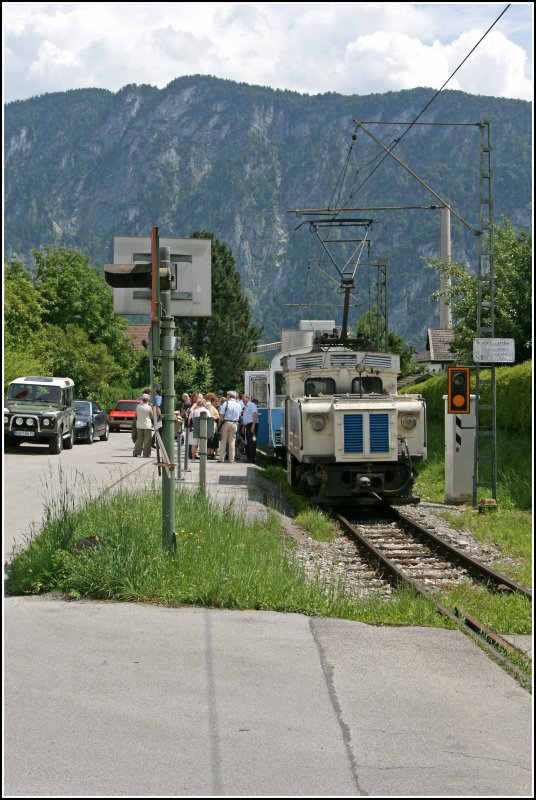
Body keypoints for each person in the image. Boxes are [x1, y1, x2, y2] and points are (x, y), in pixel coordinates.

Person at [218, 391, 242, 464]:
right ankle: (231, 459)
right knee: (232, 442)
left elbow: (221, 415)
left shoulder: (226, 403)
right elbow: (239, 415)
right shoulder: (238, 405)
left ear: (228, 396)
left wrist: (219, 424)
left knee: (223, 441)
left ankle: (221, 459)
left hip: (226, 423)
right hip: (235, 423)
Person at [241, 394, 259, 463]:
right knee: (248, 442)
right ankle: (248, 458)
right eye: (242, 398)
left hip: (252, 424)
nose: (242, 400)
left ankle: (252, 458)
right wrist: (243, 426)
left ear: (247, 398)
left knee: (252, 442)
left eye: (243, 398)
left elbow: (255, 414)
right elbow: (246, 417)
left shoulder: (252, 405)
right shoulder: (246, 406)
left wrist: (253, 426)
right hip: (247, 425)